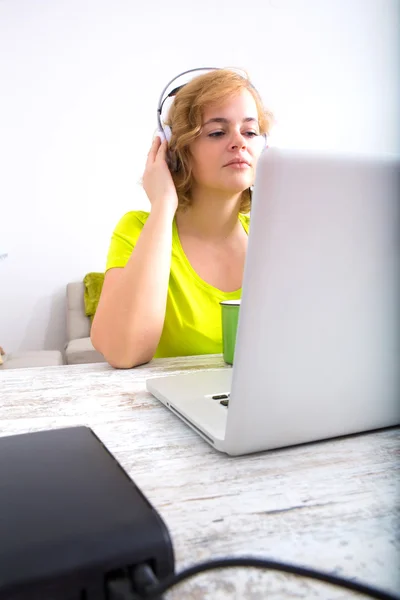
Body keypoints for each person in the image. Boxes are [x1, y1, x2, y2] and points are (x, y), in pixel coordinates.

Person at [91, 68, 274, 368]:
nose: (239, 142)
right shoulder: (137, 229)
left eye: (250, 132)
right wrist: (163, 204)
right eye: (217, 132)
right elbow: (123, 352)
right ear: (176, 152)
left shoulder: (273, 236)